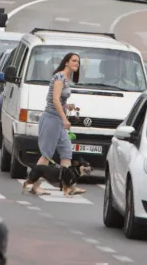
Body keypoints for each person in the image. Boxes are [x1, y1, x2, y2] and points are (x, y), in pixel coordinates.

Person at [26, 52, 86, 196]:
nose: (76, 63)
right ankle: (34, 185)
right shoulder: (59, 77)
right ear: (66, 62)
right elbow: (55, 100)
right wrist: (64, 119)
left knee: (66, 151)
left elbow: (60, 101)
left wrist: (68, 106)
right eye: (73, 61)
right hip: (52, 119)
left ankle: (70, 185)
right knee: (46, 154)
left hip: (58, 119)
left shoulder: (67, 78)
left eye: (78, 62)